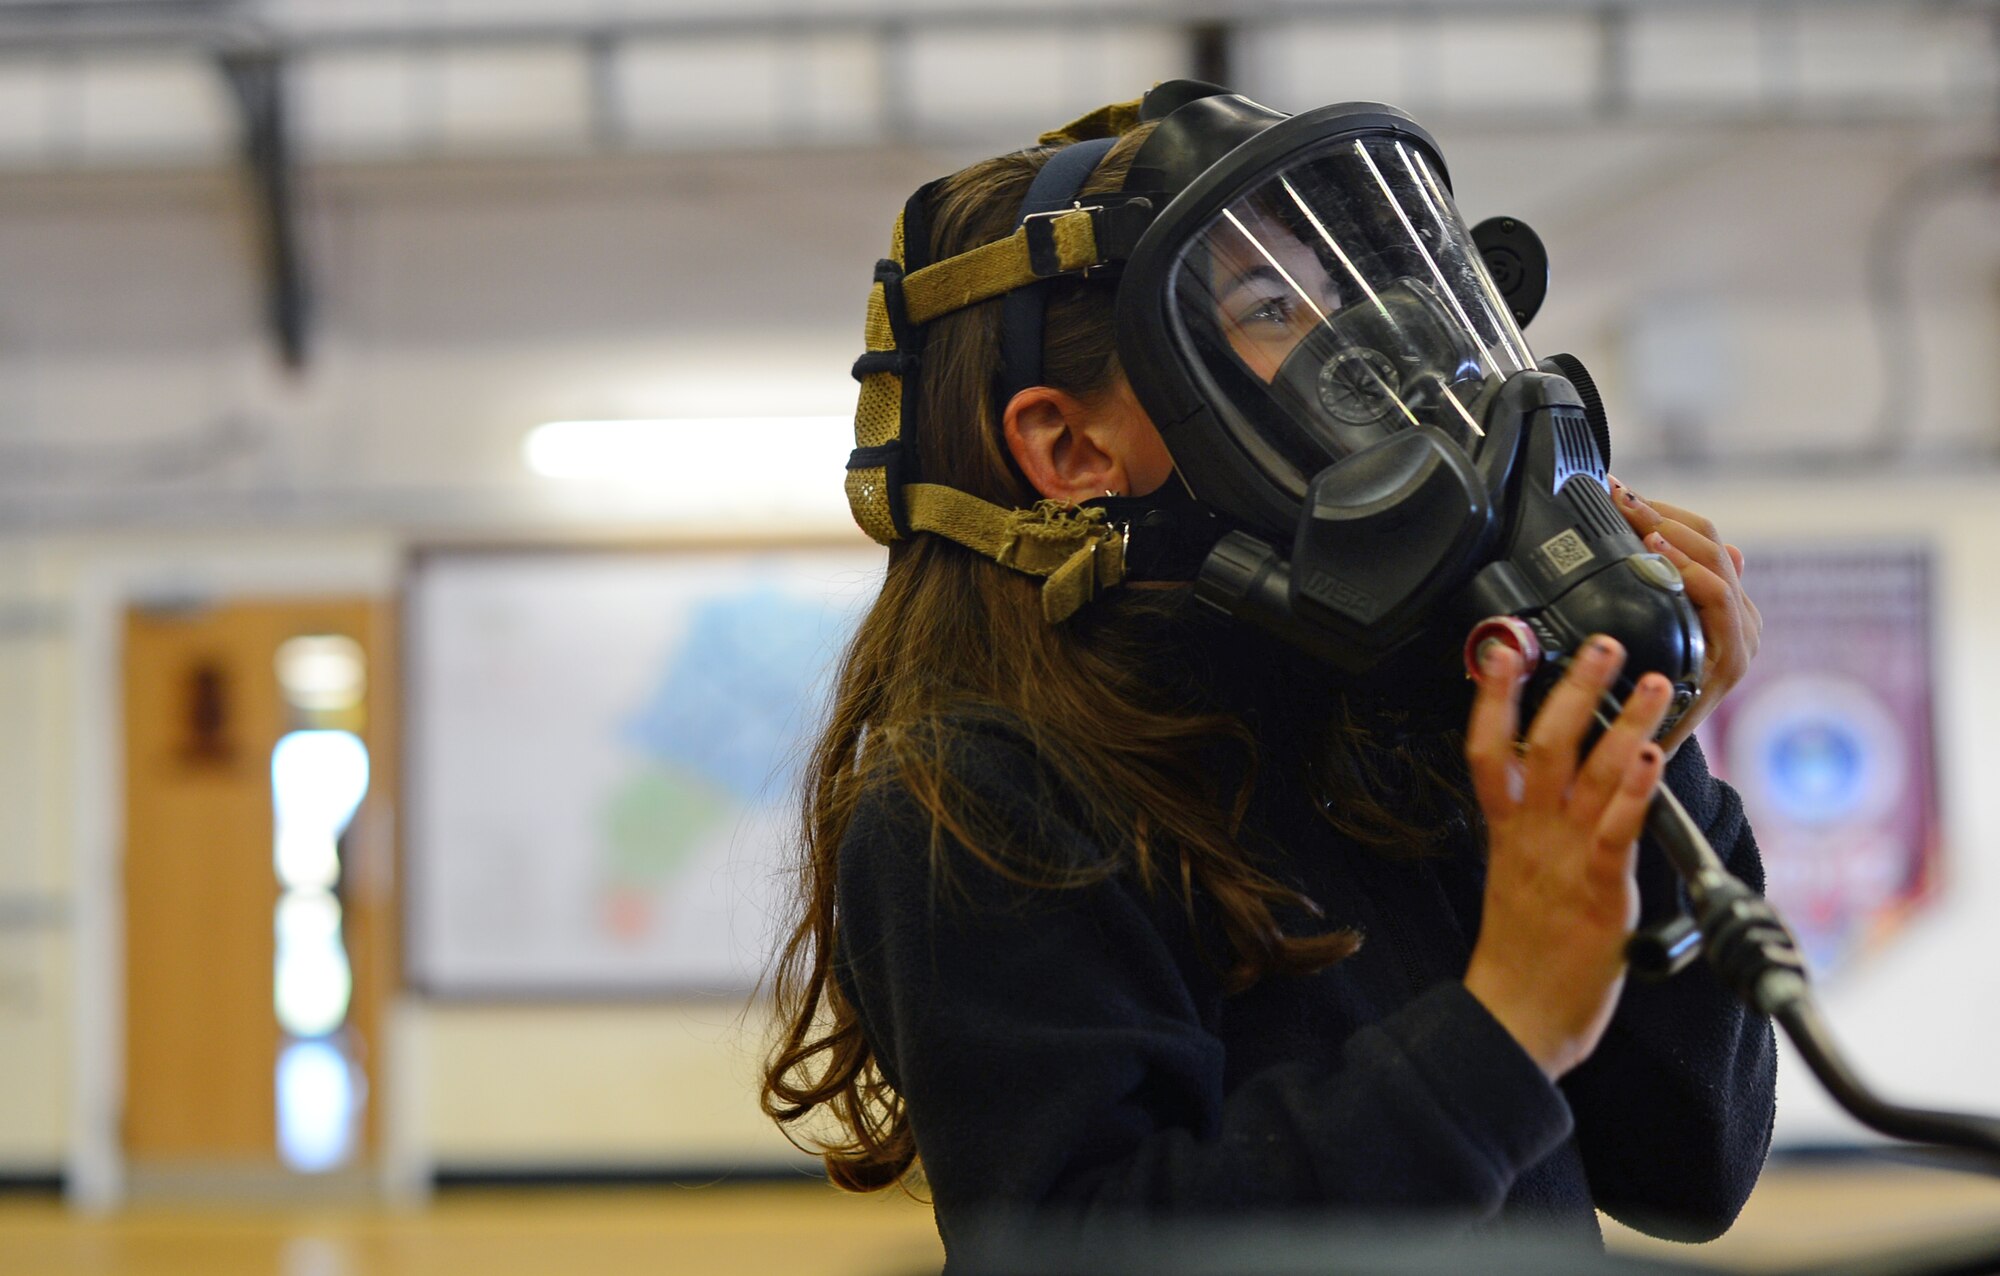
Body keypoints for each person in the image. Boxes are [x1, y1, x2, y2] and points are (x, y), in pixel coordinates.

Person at [762, 82, 1774, 1264]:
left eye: (1344, 290)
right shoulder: (978, 798)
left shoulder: (1404, 716)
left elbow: (1686, 1166)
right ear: (1071, 450)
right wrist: (1500, 1029)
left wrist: (1639, 749)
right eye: (1268, 304)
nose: (1375, 348)